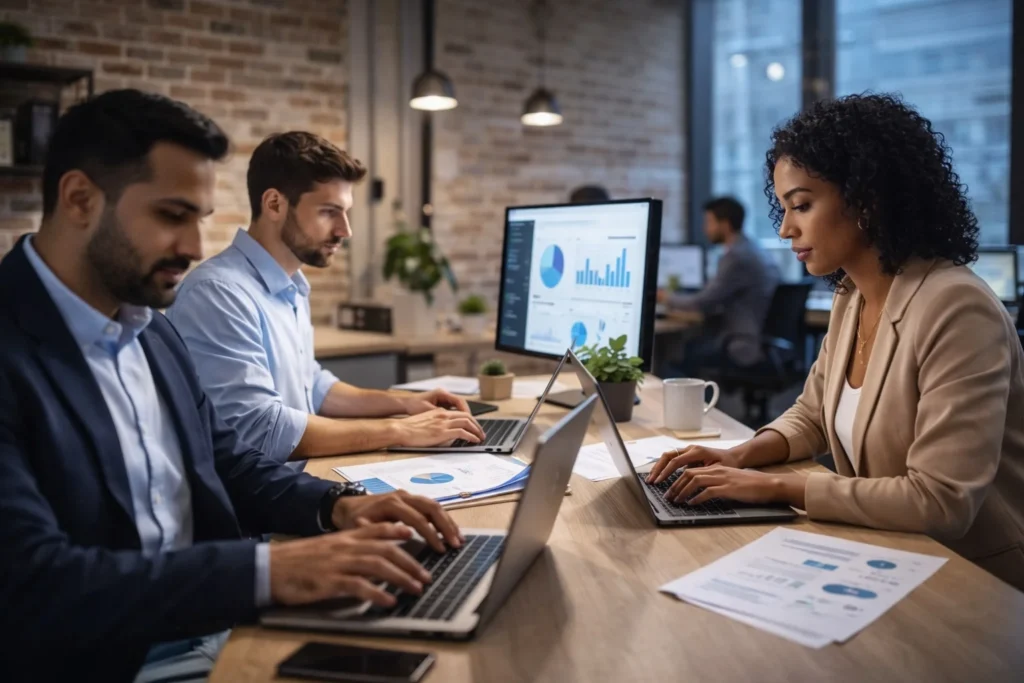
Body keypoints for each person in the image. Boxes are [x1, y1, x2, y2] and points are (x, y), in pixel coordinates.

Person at [0, 90, 464, 682]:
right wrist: (269, 571)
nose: (195, 248)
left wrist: (338, 507)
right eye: (172, 216)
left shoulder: (148, 331)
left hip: (214, 621)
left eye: (200, 220)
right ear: (79, 199)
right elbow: (35, 583)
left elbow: (226, 458)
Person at [647, 94, 1024, 591]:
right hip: (887, 555)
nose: (785, 229)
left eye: (801, 205)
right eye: (784, 208)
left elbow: (942, 501)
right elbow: (811, 413)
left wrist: (778, 486)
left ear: (868, 199)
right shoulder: (853, 294)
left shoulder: (956, 307)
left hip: (969, 579)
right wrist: (739, 456)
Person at [166, 132, 485, 463]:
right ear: (274, 204)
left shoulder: (291, 285)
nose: (345, 230)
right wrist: (401, 430)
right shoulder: (219, 294)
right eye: (329, 211)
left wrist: (405, 403)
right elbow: (260, 430)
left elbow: (313, 386)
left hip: (298, 482)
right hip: (253, 506)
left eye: (345, 212)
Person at [658, 197, 780, 375]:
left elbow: (702, 302)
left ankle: (697, 402)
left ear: (725, 224)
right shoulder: (755, 249)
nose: (705, 228)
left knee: (673, 360)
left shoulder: (736, 257)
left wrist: (664, 297)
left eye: (709, 222)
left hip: (741, 343)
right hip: (761, 340)